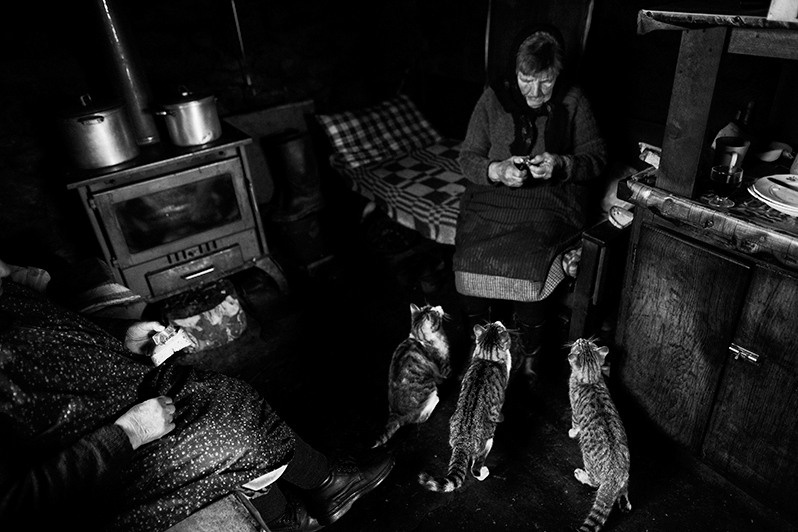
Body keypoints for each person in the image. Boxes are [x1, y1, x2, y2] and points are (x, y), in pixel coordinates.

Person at [0, 257, 394, 532]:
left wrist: (120, 337)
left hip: (107, 382)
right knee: (229, 423)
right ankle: (308, 501)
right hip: (89, 460)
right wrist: (129, 433)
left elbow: (45, 338)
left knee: (212, 391)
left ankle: (310, 497)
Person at [454, 25, 607, 380]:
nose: (535, 92)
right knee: (467, 256)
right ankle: (482, 346)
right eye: (526, 79)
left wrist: (563, 164)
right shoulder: (492, 99)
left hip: (552, 200)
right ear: (514, 71)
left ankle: (530, 352)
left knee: (531, 255)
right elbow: (467, 157)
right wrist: (495, 170)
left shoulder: (575, 100)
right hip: (492, 197)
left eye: (546, 81)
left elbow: (596, 157)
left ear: (558, 75)